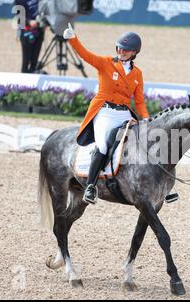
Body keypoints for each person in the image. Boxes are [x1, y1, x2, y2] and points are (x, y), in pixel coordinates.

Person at [63, 23, 150, 204]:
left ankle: (160, 187)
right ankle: (91, 186)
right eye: (119, 47)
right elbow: (85, 55)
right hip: (104, 112)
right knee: (102, 146)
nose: (121, 51)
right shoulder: (105, 63)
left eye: (126, 50)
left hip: (124, 114)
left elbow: (139, 101)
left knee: (148, 141)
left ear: (134, 52)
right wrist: (73, 39)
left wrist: (146, 118)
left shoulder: (137, 74)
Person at [14, 0, 44, 73]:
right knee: (26, 61)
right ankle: (24, 81)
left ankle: (33, 79)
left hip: (39, 31)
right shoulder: (19, 1)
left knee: (34, 60)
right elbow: (19, 18)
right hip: (26, 32)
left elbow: (46, 11)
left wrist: (45, 23)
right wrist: (29, 22)